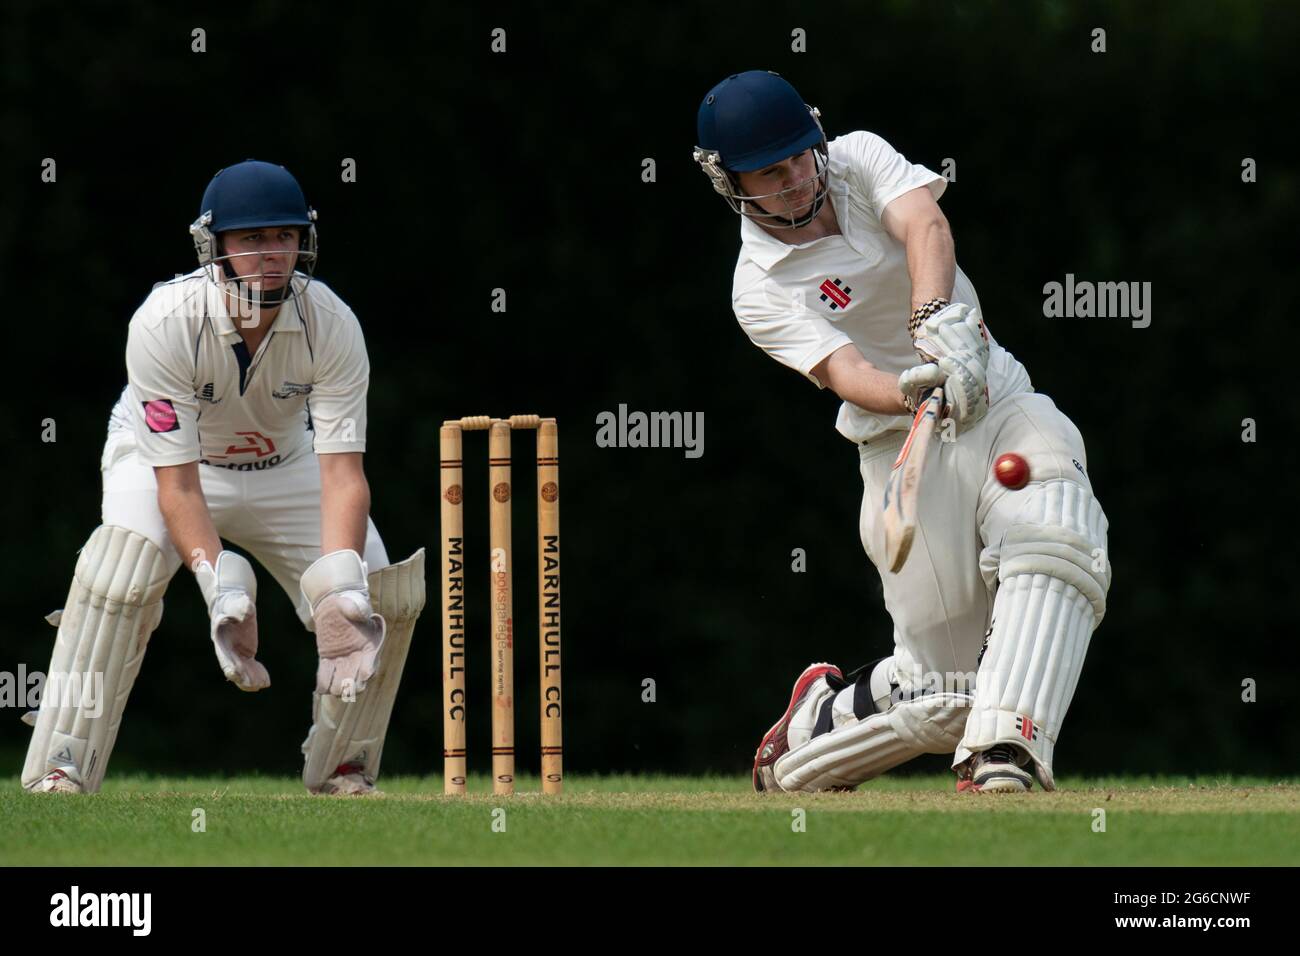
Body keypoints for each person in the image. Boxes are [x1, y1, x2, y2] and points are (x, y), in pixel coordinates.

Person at [694, 71, 1111, 794]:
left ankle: (1005, 755)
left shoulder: (856, 157)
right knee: (946, 691)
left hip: (990, 390)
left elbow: (925, 226)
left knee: (1059, 530)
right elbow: (846, 370)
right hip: (902, 442)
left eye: (800, 155)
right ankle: (808, 738)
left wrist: (934, 328)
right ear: (728, 181)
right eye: (770, 171)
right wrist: (910, 386)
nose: (796, 179)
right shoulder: (756, 288)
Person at [22, 160, 425, 796]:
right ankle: (63, 763)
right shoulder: (163, 321)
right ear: (216, 246)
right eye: (251, 239)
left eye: (285, 237)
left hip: (285, 463)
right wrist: (220, 593)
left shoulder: (333, 323)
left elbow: (344, 473)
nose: (271, 255)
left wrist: (340, 595)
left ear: (304, 240)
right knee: (117, 571)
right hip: (168, 463)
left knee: (378, 591)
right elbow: (176, 486)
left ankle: (344, 769)